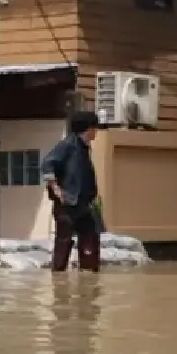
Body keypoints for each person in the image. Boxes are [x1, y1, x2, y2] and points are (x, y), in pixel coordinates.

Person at [42, 111, 102, 273]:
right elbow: (48, 164)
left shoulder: (84, 148)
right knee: (64, 240)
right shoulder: (67, 145)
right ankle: (59, 275)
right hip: (67, 203)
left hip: (82, 203)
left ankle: (88, 273)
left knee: (90, 236)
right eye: (94, 128)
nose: (96, 132)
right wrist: (56, 188)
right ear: (87, 129)